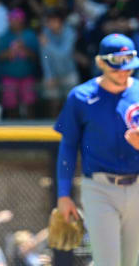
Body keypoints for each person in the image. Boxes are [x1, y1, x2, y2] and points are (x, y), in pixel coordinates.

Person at [54, 33, 139, 266]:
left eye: (128, 67)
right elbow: (68, 146)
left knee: (130, 262)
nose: (123, 72)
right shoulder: (80, 96)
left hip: (137, 186)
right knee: (107, 262)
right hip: (99, 188)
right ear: (101, 63)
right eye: (116, 68)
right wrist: (63, 194)